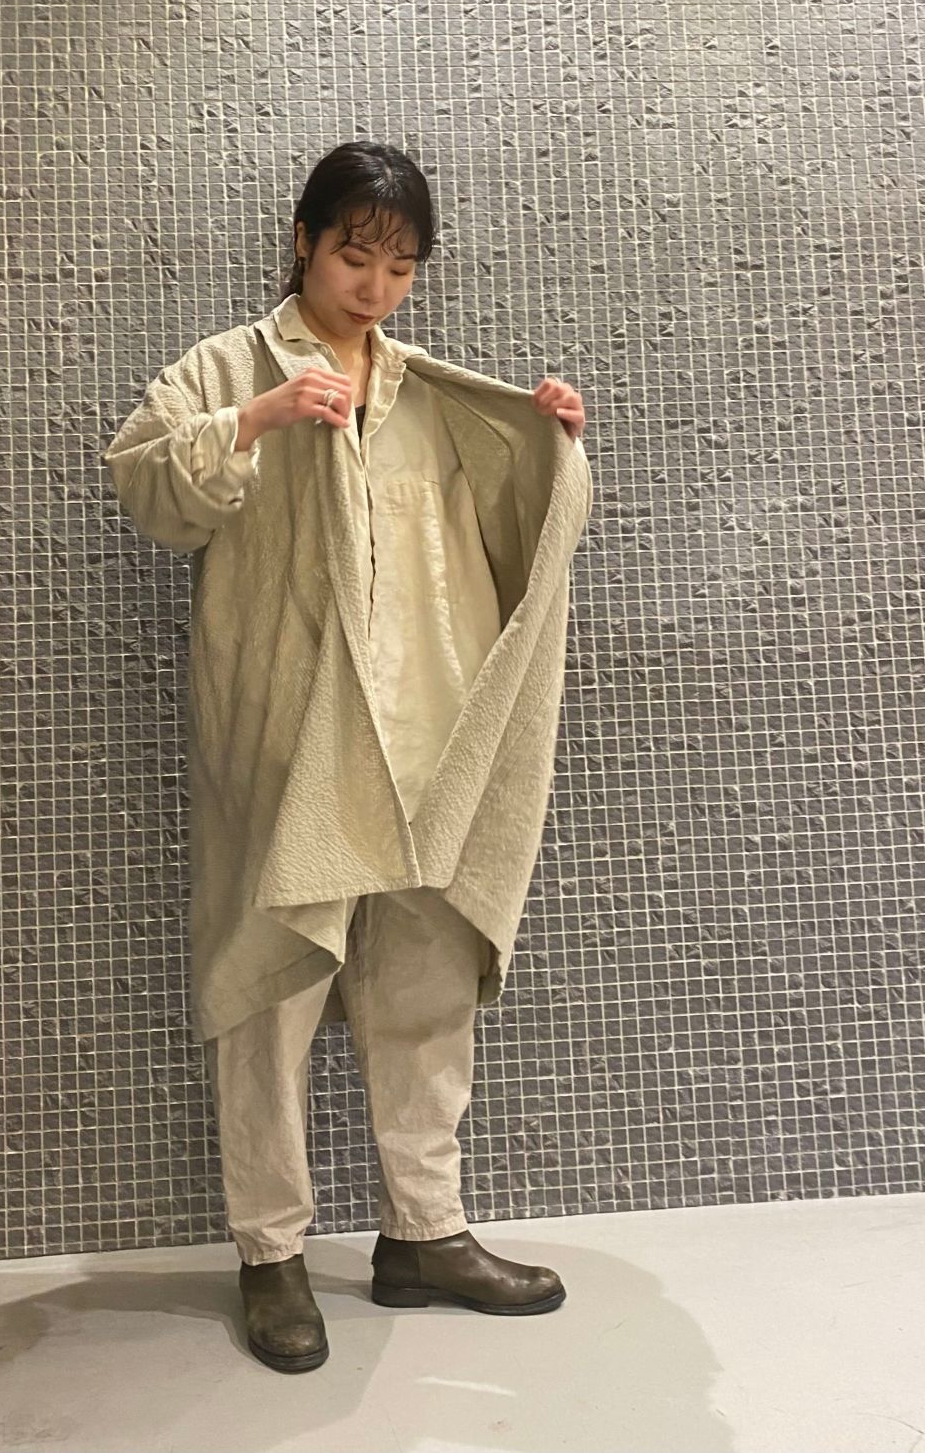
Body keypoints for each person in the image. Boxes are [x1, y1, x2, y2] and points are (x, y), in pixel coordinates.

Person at [102, 141, 593, 1373]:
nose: (373, 288)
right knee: (270, 984)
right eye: (353, 257)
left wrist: (545, 443)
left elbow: (502, 530)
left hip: (426, 736)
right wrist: (256, 419)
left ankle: (423, 1232)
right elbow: (147, 488)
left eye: (399, 267)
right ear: (303, 243)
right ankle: (269, 1252)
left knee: (425, 981)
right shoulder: (224, 366)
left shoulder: (426, 393)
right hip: (290, 733)